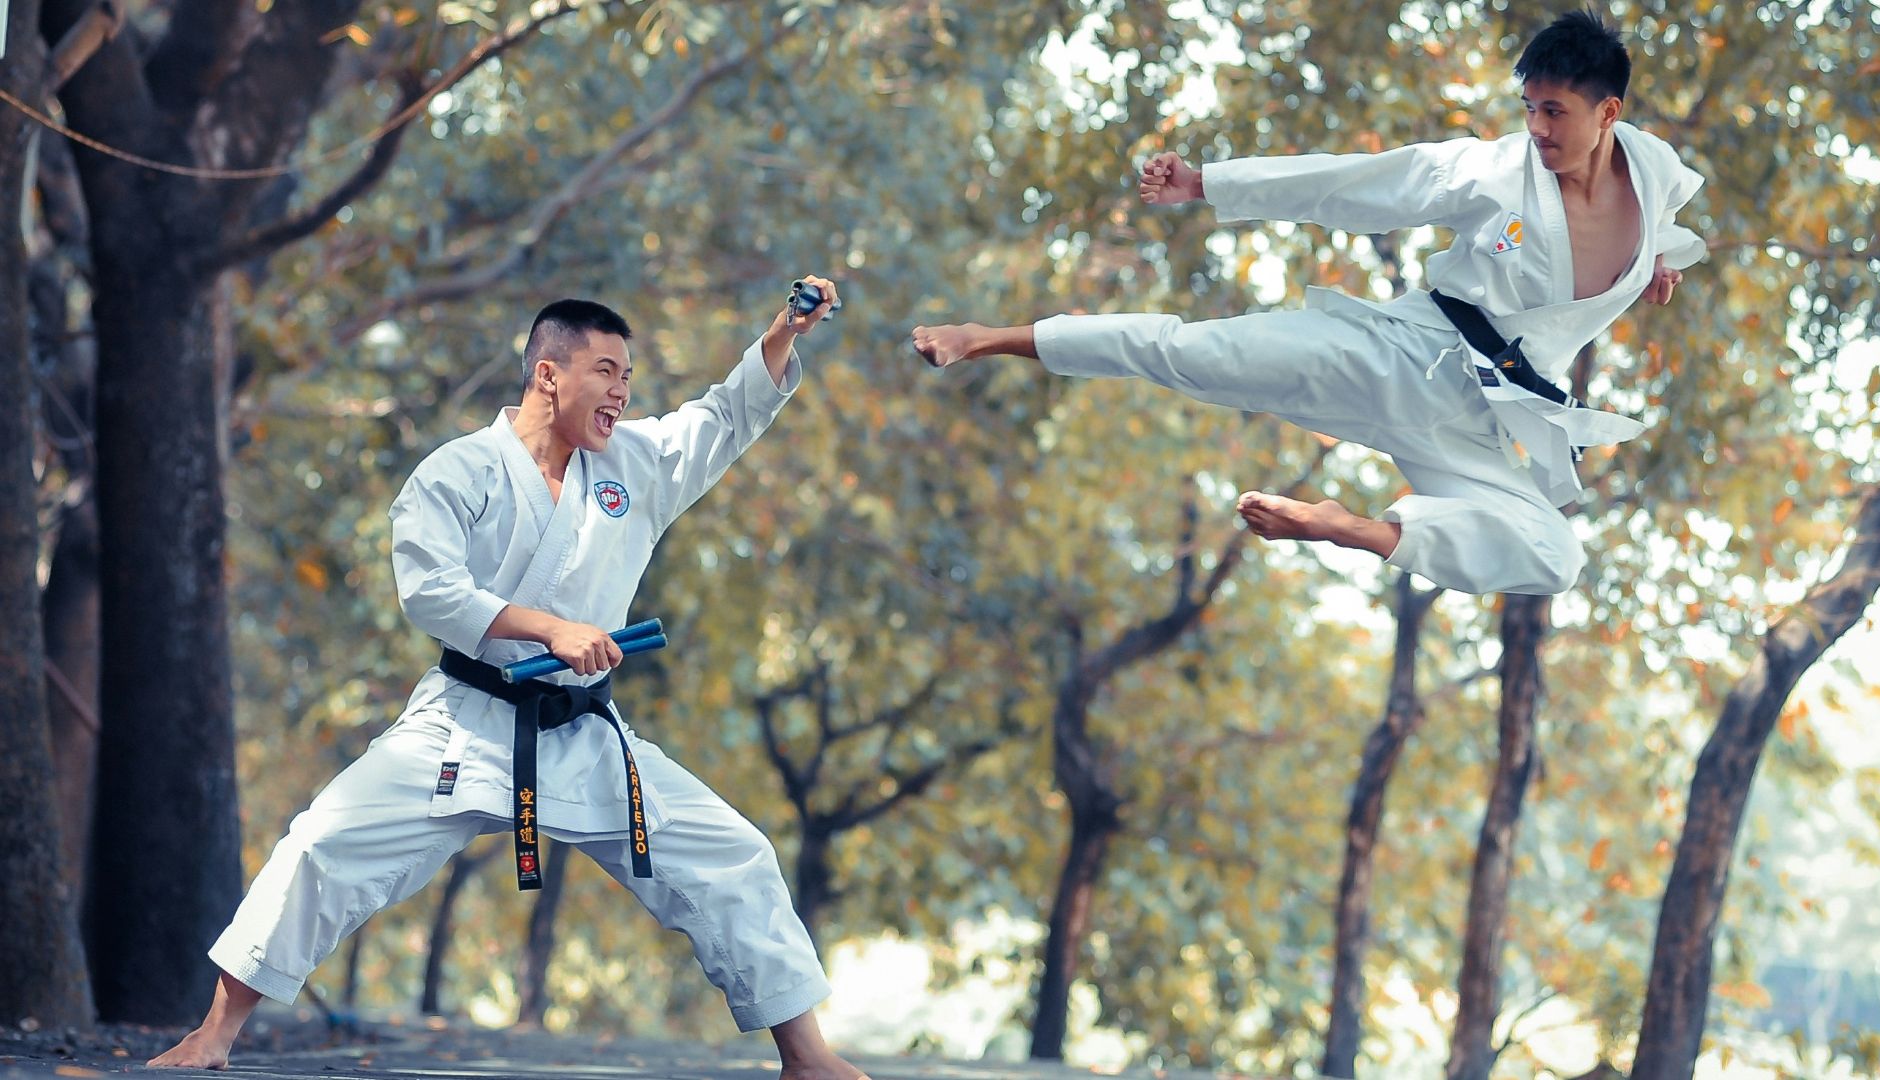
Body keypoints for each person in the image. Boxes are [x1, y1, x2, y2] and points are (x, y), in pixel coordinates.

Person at [151, 281, 868, 1080]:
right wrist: (551, 628)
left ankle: (808, 1060)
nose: (623, 391)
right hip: (466, 724)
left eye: (628, 376)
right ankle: (211, 1037)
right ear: (548, 375)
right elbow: (430, 590)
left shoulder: (634, 463)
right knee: (324, 843)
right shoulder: (457, 472)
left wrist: (782, 332)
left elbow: (725, 415)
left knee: (732, 854)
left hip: (585, 734)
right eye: (606, 370)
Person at [912, 9, 1703, 596]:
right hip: (1394, 359)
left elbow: (1656, 223)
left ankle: (1354, 530)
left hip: (1479, 429)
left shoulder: (1652, 171)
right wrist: (1207, 184)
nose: (1535, 128)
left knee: (1555, 559)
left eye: (1554, 111)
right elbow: (1349, 183)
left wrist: (1658, 259)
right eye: (1528, 107)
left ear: (1609, 114)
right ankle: (987, 336)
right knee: (1185, 352)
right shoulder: (1489, 174)